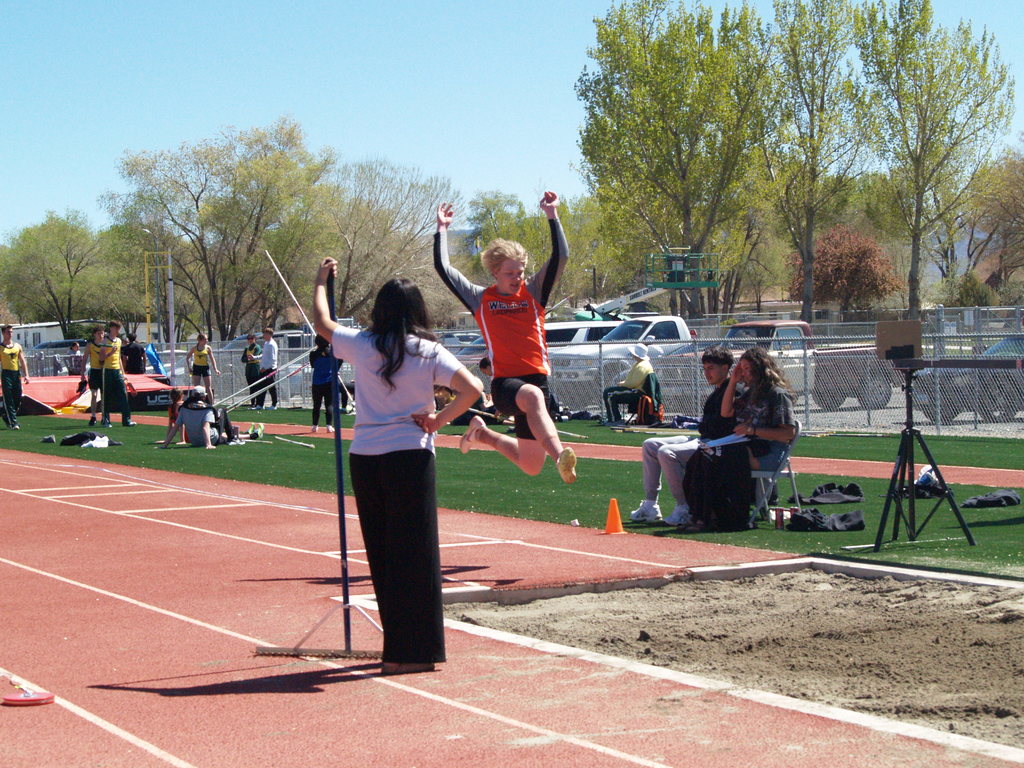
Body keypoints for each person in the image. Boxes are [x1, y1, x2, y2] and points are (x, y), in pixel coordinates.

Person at [312, 259, 483, 676]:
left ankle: (396, 649)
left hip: (367, 456)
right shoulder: (428, 349)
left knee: (384, 555)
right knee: (418, 556)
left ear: (381, 309)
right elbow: (473, 389)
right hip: (411, 454)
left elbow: (321, 320)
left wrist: (321, 279)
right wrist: (439, 421)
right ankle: (417, 650)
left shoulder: (363, 343)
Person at [434, 191, 577, 484]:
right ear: (495, 272)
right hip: (506, 385)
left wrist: (553, 215)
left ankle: (481, 432)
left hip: (538, 379)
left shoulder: (534, 293)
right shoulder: (479, 298)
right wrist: (442, 231)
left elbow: (561, 256)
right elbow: (444, 269)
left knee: (530, 464)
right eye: (510, 273)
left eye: (521, 272)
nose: (517, 278)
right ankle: (560, 455)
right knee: (532, 397)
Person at [629, 346, 736, 526]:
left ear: (725, 368)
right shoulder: (717, 391)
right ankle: (650, 504)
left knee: (666, 452)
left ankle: (685, 507)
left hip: (716, 444)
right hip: (702, 438)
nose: (706, 373)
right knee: (650, 444)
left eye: (711, 368)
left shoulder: (733, 390)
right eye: (704, 368)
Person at [602, 343, 653, 425]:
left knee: (608, 393)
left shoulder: (642, 366)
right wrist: (623, 383)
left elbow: (633, 383)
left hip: (637, 392)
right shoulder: (641, 364)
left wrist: (622, 384)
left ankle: (615, 420)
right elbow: (632, 381)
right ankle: (614, 418)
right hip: (635, 390)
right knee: (610, 392)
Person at [98, 320, 136, 428]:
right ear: (111, 328)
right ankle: (106, 420)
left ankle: (126, 420)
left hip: (117, 371)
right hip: (107, 370)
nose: (118, 331)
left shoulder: (119, 341)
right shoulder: (105, 341)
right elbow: (101, 358)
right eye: (116, 328)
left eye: (119, 329)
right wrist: (110, 353)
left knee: (123, 394)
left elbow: (119, 357)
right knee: (107, 396)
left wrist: (123, 373)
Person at [309, 334, 341, 433]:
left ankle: (315, 425)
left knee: (316, 405)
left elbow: (312, 365)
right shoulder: (333, 353)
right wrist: (335, 369)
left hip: (317, 382)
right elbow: (340, 360)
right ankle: (329, 425)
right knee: (329, 404)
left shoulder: (313, 354)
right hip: (329, 382)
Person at [1, 324, 30, 430]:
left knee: (17, 398)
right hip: (6, 374)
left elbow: (22, 361)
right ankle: (14, 423)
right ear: (3, 333)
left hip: (16, 374)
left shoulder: (17, 346)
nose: (10, 334)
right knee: (8, 398)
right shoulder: (1, 347)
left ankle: (5, 415)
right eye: (8, 332)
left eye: (11, 332)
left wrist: (26, 375)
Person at [82, 326, 105, 426]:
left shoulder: (106, 345)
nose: (101, 335)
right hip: (94, 372)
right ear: (94, 334)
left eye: (102, 333)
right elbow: (85, 358)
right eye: (99, 333)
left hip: (103, 372)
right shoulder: (90, 345)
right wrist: (82, 373)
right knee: (94, 394)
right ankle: (93, 416)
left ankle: (105, 416)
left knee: (104, 396)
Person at [186, 333, 219, 399]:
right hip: (196, 367)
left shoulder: (208, 348)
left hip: (205, 367)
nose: (206, 341)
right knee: (197, 387)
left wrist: (215, 369)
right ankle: (197, 402)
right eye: (205, 339)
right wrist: (189, 367)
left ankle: (211, 403)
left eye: (207, 339)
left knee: (208, 387)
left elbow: (212, 359)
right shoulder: (194, 348)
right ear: (200, 340)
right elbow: (187, 358)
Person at [256, 327, 279, 409]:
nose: (264, 336)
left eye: (265, 334)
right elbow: (264, 356)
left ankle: (274, 404)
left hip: (270, 369)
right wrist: (255, 357)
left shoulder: (272, 344)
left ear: (269, 335)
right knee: (261, 387)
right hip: (264, 369)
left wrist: (265, 368)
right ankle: (260, 404)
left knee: (272, 387)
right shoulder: (266, 344)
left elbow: (272, 359)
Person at [241, 333, 262, 407]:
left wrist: (250, 358)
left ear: (254, 339)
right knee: (251, 387)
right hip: (248, 369)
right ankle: (252, 403)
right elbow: (243, 359)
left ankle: (258, 403)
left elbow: (255, 356)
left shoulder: (257, 347)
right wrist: (248, 359)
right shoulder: (247, 348)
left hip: (255, 368)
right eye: (248, 339)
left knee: (256, 386)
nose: (250, 340)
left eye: (251, 339)